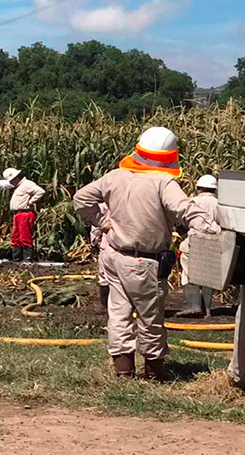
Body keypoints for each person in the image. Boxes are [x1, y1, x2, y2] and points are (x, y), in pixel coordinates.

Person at [73, 126, 218, 381]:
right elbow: (185, 210)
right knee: (150, 318)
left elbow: (81, 199)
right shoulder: (163, 182)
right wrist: (213, 230)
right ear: (170, 156)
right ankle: (154, 372)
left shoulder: (114, 176)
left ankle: (124, 371)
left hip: (115, 255)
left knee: (118, 313)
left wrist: (102, 222)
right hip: (144, 261)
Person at [179, 174, 219, 317]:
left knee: (189, 272)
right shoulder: (219, 203)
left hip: (194, 239)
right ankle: (208, 310)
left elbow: (181, 221)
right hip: (213, 242)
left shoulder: (193, 201)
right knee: (208, 275)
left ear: (199, 188)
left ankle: (194, 306)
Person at [3, 167, 46, 262]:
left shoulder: (27, 184)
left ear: (16, 178)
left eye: (11, 181)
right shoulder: (19, 186)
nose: (11, 183)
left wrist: (31, 202)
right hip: (18, 214)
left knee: (25, 236)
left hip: (24, 213)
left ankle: (27, 258)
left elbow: (40, 191)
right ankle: (17, 259)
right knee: (15, 237)